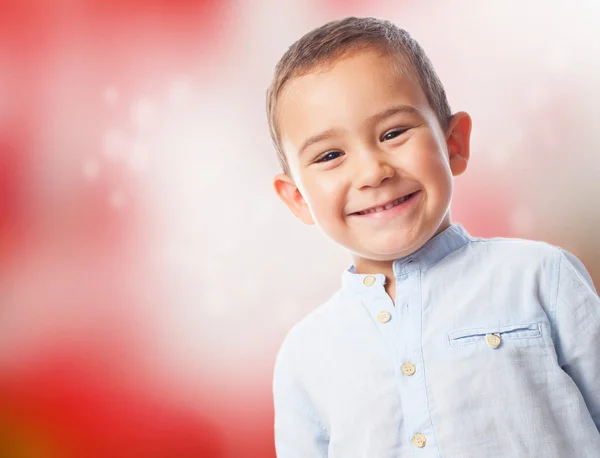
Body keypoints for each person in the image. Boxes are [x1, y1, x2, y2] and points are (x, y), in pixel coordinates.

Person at [267, 16, 600, 457]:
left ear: (454, 143)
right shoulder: (304, 357)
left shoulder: (540, 278)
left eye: (394, 132)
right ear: (298, 199)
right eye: (330, 155)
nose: (372, 172)